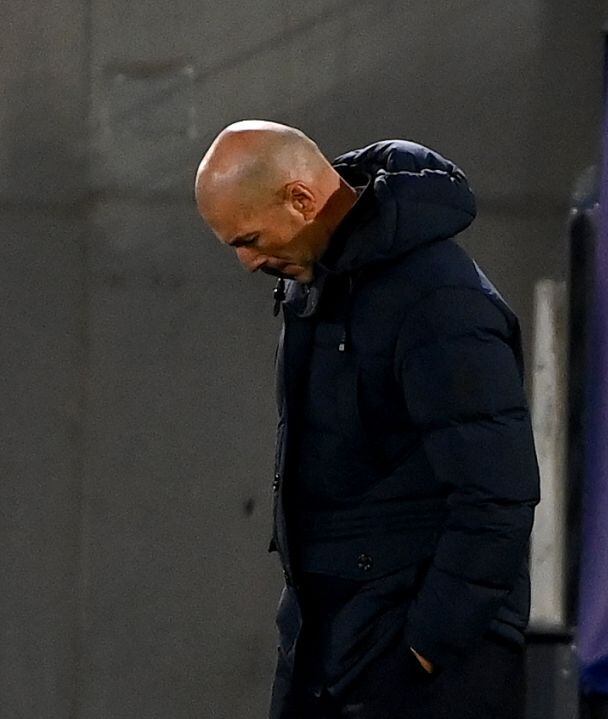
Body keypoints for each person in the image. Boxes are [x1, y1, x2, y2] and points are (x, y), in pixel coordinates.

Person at [194, 120, 541, 719]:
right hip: (334, 643)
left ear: (301, 200)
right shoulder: (319, 279)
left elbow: (496, 494)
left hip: (418, 667)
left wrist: (423, 651)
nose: (249, 264)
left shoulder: (440, 301)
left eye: (248, 240)